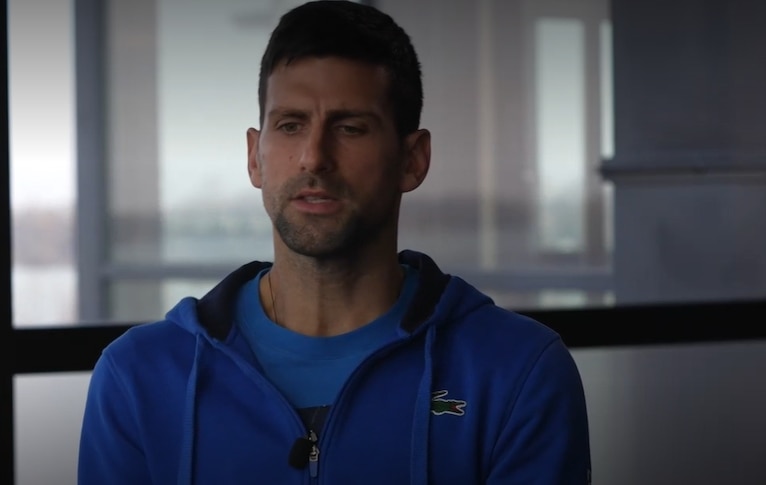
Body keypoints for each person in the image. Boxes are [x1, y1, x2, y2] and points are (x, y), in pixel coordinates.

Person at [77, 1, 591, 483]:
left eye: (350, 128)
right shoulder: (140, 377)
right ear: (255, 156)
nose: (313, 157)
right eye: (291, 125)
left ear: (412, 160)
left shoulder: (515, 372)